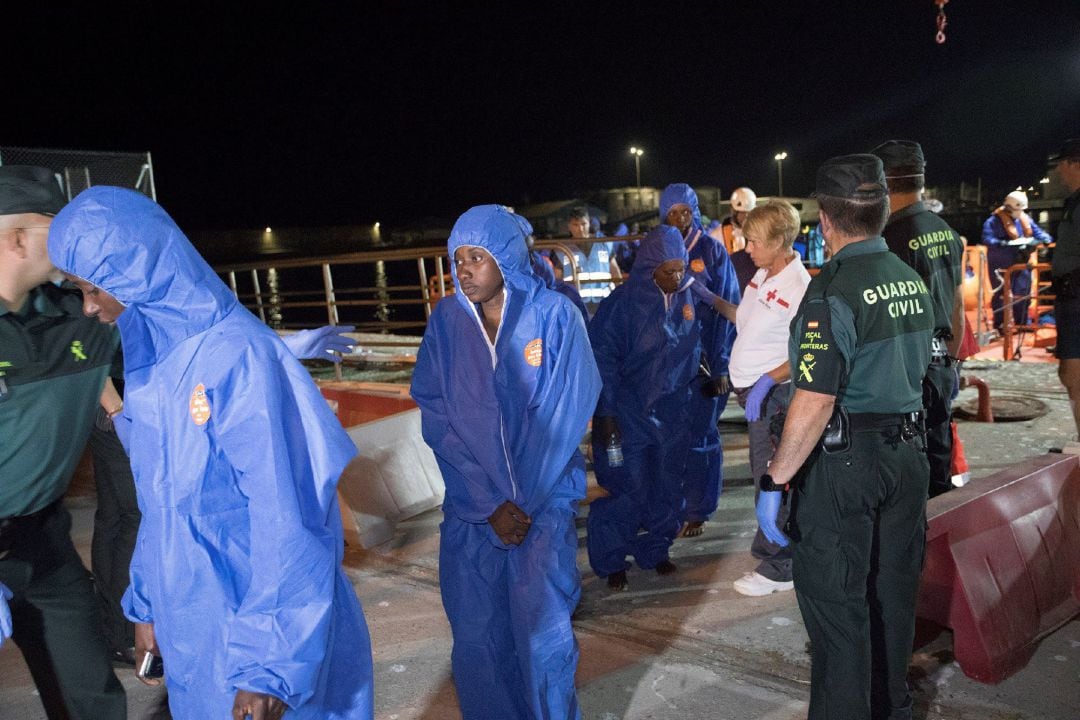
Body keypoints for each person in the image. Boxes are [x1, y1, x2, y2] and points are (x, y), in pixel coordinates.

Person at [47, 186, 374, 720]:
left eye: (91, 289)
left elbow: (287, 520)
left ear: (134, 270)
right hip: (196, 631)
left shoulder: (240, 356)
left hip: (264, 636)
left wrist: (268, 664)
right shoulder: (153, 360)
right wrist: (148, 607)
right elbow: (160, 505)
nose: (88, 308)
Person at [755, 154, 934, 719]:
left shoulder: (830, 289)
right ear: (882, 211)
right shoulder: (909, 278)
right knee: (892, 602)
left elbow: (815, 398)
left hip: (845, 466)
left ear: (825, 222)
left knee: (837, 616)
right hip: (907, 460)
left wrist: (775, 479)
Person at [410, 205, 600, 720]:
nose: (465, 269)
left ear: (508, 257)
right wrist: (489, 500)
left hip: (539, 513)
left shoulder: (555, 316)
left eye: (478, 256)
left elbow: (567, 411)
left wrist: (524, 499)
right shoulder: (447, 323)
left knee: (542, 640)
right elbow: (437, 415)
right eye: (457, 259)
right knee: (478, 642)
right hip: (474, 514)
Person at [0, 165, 128, 719]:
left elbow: (183, 342)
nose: (72, 240)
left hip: (41, 540)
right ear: (19, 238)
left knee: (90, 693)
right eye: (59, 226)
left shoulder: (80, 314)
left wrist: (272, 349)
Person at [701, 201, 811, 596]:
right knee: (764, 474)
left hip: (776, 395)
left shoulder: (799, 288)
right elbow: (747, 320)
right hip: (753, 394)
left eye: (755, 241)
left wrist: (767, 381)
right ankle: (777, 550)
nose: (746, 248)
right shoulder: (762, 276)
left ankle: (781, 567)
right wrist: (710, 299)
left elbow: (807, 351)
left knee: (773, 477)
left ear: (781, 242)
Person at [587, 225, 700, 590]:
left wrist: (707, 375)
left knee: (666, 483)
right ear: (649, 267)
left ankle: (655, 549)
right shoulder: (620, 305)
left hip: (671, 414)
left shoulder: (685, 298)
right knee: (625, 486)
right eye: (669, 270)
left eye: (681, 268)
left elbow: (691, 348)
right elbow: (602, 360)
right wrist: (605, 415)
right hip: (627, 414)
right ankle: (611, 559)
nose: (677, 276)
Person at [872, 140, 966, 498]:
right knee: (938, 457)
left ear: (884, 183)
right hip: (941, 361)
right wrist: (953, 362)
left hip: (907, 369)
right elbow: (957, 305)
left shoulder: (892, 238)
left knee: (908, 474)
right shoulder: (946, 231)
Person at [659, 183, 740, 538]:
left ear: (695, 212)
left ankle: (698, 508)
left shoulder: (711, 251)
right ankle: (673, 505)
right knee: (671, 436)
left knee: (702, 434)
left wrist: (721, 363)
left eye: (685, 212)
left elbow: (727, 306)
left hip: (708, 362)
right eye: (671, 213)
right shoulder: (658, 251)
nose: (678, 219)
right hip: (671, 366)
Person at [981, 190, 1053, 330]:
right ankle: (1000, 324)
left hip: (1021, 263)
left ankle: (1022, 323)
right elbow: (987, 238)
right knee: (1002, 295)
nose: (1019, 212)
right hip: (1000, 263)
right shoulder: (993, 222)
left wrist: (1045, 239)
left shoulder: (1025, 219)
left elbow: (1039, 233)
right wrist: (1002, 243)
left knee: (1022, 294)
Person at [1048, 138, 1080, 441]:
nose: (1057, 170)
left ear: (1074, 163)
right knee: (1070, 375)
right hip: (1070, 298)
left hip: (1076, 299)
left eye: (1060, 163)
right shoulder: (1075, 202)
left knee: (1073, 375)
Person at [556, 206, 622, 311]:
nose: (580, 229)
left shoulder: (604, 244)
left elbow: (615, 271)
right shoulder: (561, 250)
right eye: (575, 225)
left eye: (583, 224)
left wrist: (621, 297)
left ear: (589, 223)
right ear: (569, 226)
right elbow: (557, 279)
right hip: (575, 305)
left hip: (605, 303)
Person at [723, 187, 760, 292]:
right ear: (733, 211)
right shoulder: (718, 234)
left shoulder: (759, 233)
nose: (745, 217)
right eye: (741, 213)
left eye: (748, 213)